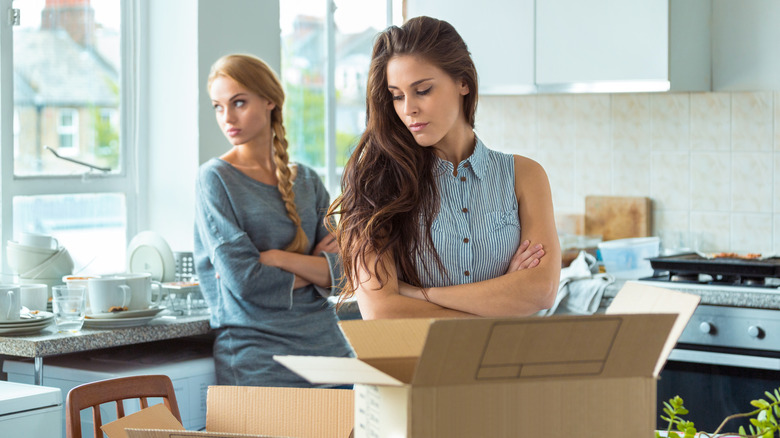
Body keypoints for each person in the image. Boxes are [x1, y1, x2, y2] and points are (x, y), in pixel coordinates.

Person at [328, 16, 561, 319]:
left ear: (463, 82)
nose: (408, 108)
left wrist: (418, 295)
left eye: (422, 90)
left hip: (506, 364)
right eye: (397, 96)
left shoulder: (525, 176)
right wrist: (503, 301)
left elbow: (540, 290)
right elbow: (382, 310)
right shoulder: (378, 184)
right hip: (414, 364)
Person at [194, 54, 353, 387]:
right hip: (258, 360)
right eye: (218, 107)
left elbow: (344, 273)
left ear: (269, 101)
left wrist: (278, 259)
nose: (227, 118)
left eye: (238, 102)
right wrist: (313, 266)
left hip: (330, 353)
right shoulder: (215, 179)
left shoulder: (307, 181)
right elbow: (247, 281)